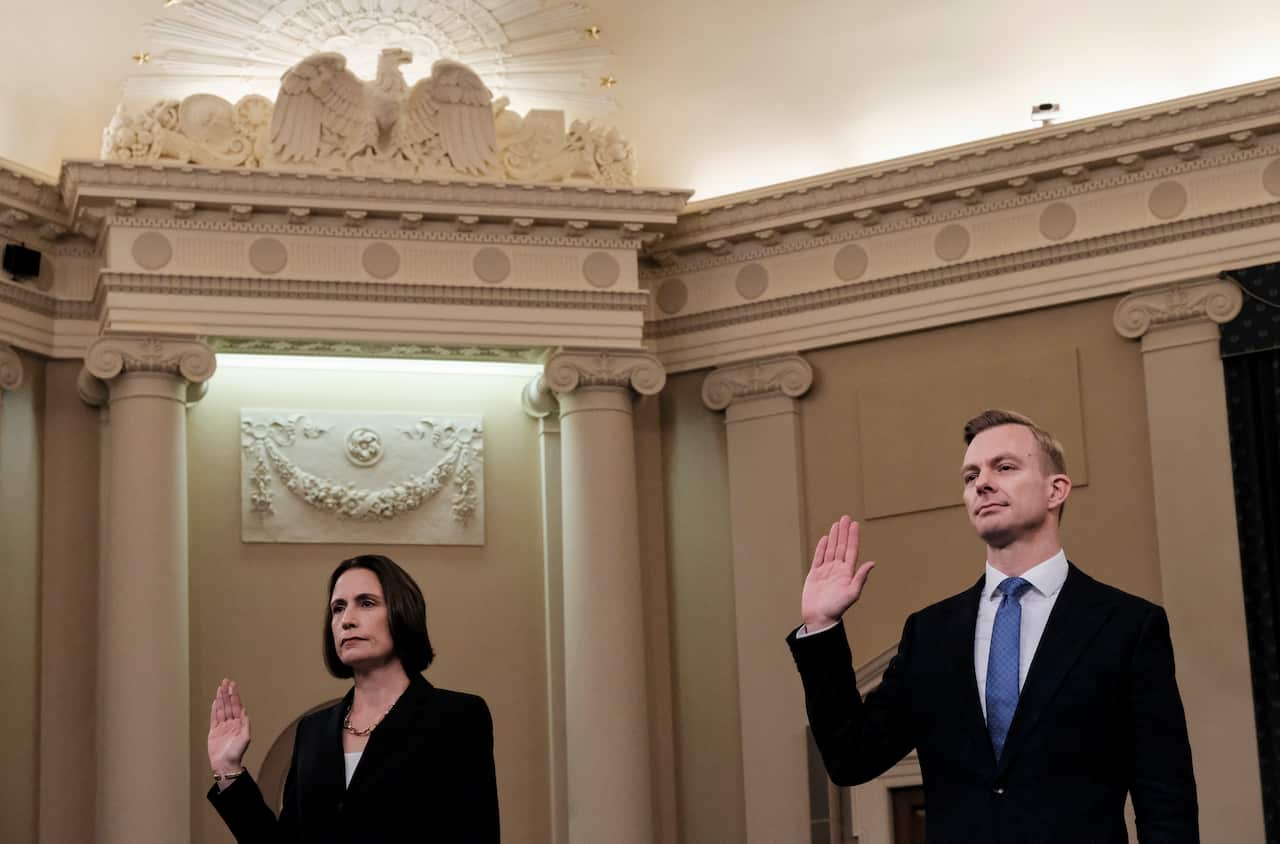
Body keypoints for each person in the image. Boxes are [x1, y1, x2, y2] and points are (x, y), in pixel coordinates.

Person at [788, 409, 1198, 843]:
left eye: (1004, 467)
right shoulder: (930, 634)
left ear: (1056, 489)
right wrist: (822, 625)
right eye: (971, 476)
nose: (981, 483)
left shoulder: (1129, 626)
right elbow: (852, 758)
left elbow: (1165, 799)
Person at [206, 554, 500, 843]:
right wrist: (228, 770)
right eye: (338, 608)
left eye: (366, 603)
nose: (346, 620)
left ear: (402, 612)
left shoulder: (458, 716)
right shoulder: (312, 731)